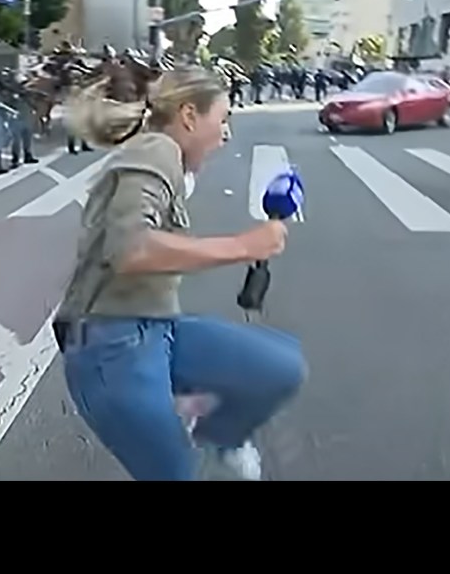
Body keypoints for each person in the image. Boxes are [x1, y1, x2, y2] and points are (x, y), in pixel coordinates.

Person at [50, 67, 307, 481]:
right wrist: (244, 246)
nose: (226, 133)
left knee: (280, 367)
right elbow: (131, 249)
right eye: (221, 119)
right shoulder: (155, 151)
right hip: (109, 348)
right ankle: (189, 434)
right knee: (175, 473)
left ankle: (220, 434)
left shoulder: (166, 158)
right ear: (189, 115)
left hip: (157, 329)